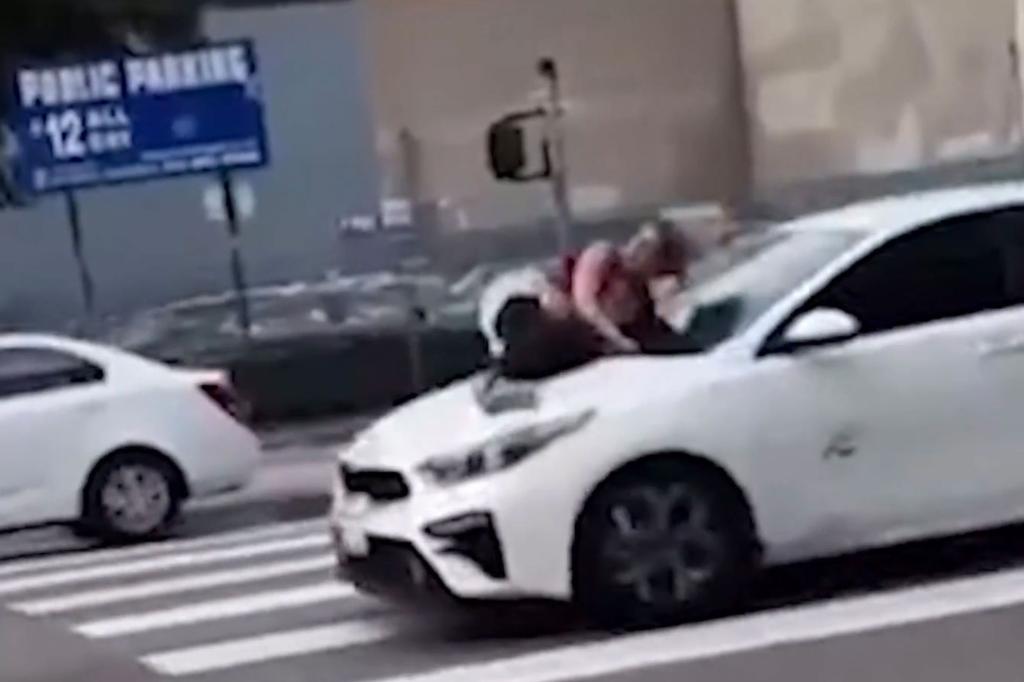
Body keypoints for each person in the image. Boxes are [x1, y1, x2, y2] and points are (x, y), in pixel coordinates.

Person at [566, 220, 690, 354]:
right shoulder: (604, 256)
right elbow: (584, 303)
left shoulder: (641, 290)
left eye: (648, 248)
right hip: (580, 335)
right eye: (640, 240)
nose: (637, 247)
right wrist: (617, 339)